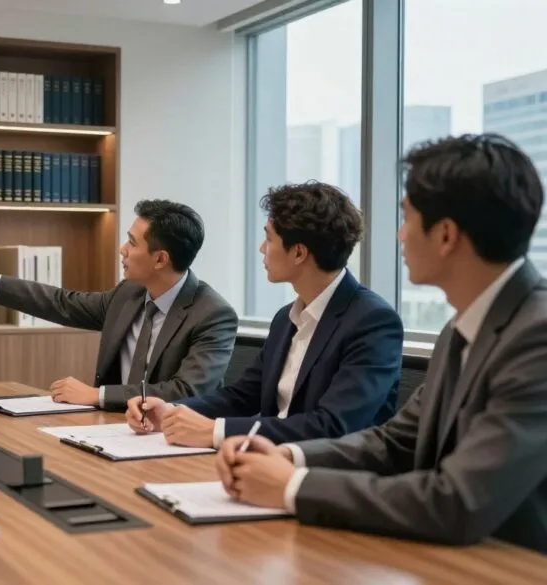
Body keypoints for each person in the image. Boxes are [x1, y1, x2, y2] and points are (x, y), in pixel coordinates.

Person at [218, 133, 547, 553]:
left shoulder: (536, 338)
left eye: (407, 218)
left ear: (445, 236)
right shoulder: (462, 328)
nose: (399, 236)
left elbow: (457, 501)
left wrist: (295, 486)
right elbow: (393, 442)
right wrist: (293, 458)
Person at [126, 182, 403, 447]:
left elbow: (332, 426)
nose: (262, 248)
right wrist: (170, 410)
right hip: (266, 461)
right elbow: (244, 396)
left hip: (328, 476)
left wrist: (216, 431)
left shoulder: (373, 321)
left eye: (269, 238)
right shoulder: (286, 318)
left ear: (298, 253)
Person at [0, 199, 238, 411]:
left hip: (171, 440)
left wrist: (96, 395)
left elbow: (186, 391)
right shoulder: (128, 294)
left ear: (160, 259)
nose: (123, 249)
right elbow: (61, 303)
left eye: (132, 242)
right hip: (113, 430)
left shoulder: (212, 315)